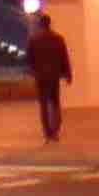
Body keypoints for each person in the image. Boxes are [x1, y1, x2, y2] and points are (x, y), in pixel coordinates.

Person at [25, 13, 72, 142]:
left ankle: (47, 133)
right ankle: (55, 130)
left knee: (44, 105)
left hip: (40, 77)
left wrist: (31, 71)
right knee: (55, 103)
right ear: (49, 23)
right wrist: (68, 74)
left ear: (40, 24)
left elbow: (28, 59)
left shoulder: (33, 39)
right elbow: (64, 57)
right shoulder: (58, 38)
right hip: (54, 76)